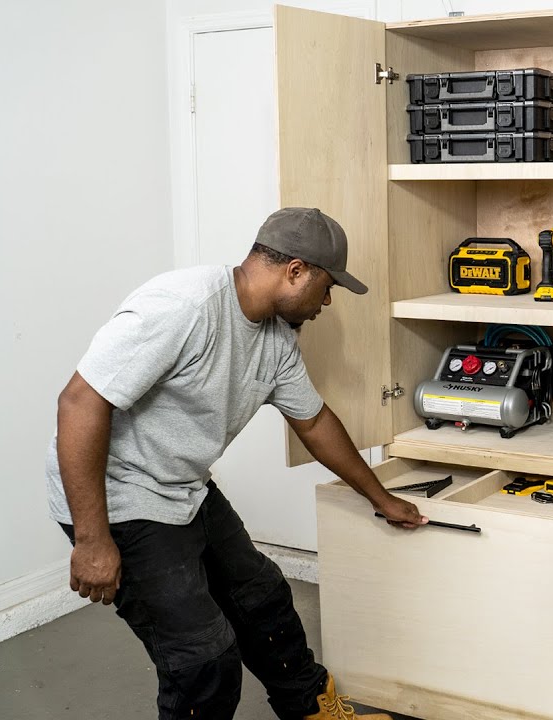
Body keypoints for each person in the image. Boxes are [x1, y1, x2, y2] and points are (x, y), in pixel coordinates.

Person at [46, 207, 426, 719]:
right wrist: (93, 540)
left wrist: (382, 499)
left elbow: (313, 423)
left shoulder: (276, 339)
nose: (328, 301)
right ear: (296, 271)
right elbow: (79, 403)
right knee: (204, 657)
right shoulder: (183, 307)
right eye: (327, 286)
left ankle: (312, 710)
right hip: (120, 494)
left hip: (182, 485)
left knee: (263, 597)